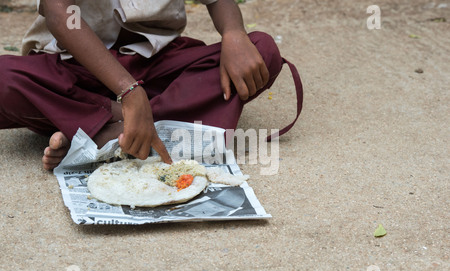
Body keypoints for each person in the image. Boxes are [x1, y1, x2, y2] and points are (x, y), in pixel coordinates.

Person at [0, 0, 301, 171]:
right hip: (74, 67)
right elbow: (58, 11)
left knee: (262, 50)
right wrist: (129, 92)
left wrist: (234, 32)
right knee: (4, 77)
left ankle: (101, 130)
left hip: (155, 65)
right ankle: (140, 124)